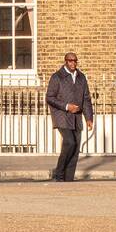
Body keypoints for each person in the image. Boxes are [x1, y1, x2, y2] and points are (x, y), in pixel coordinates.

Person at [46, 52, 94, 183]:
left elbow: (86, 99)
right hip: (62, 116)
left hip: (77, 118)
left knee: (76, 148)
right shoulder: (57, 77)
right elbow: (49, 98)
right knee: (69, 142)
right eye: (70, 61)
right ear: (65, 61)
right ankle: (59, 174)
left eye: (75, 61)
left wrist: (89, 118)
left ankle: (69, 179)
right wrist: (67, 106)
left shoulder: (81, 77)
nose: (73, 63)